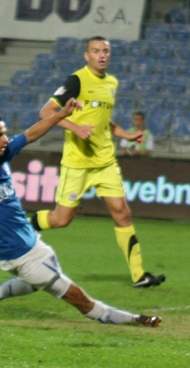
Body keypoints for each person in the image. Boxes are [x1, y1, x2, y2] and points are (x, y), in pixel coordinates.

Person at [0, 105, 161, 329]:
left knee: (36, 284)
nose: (5, 138)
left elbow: (31, 133)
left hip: (31, 241)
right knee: (81, 300)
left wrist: (61, 115)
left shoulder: (1, 155)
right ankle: (137, 320)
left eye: (4, 133)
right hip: (17, 252)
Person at [27, 36, 165, 288]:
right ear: (86, 55)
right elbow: (46, 112)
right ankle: (27, 225)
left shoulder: (112, 82)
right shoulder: (76, 80)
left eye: (106, 51)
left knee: (122, 213)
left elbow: (103, 119)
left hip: (105, 162)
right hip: (77, 163)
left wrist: (124, 133)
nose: (102, 55)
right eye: (96, 51)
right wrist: (75, 128)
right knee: (61, 219)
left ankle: (139, 275)